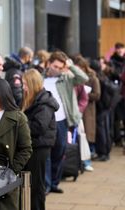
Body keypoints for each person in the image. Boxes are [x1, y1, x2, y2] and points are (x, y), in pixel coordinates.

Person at [0, 78, 32, 210]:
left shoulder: (18, 118)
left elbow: (26, 149)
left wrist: (11, 171)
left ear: (1, 93)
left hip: (3, 180)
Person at [43, 51, 89, 194]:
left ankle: (55, 183)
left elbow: (84, 78)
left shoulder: (66, 78)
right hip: (45, 121)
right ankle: (47, 184)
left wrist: (70, 65)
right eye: (55, 66)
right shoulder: (40, 78)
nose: (57, 69)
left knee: (60, 151)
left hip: (62, 121)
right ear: (49, 64)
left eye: (60, 67)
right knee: (46, 154)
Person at [22, 69, 58, 210]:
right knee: (30, 184)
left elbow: (38, 128)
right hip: (31, 145)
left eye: (25, 84)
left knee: (37, 185)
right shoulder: (28, 98)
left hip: (39, 147)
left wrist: (20, 124)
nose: (23, 87)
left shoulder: (44, 103)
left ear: (33, 84)